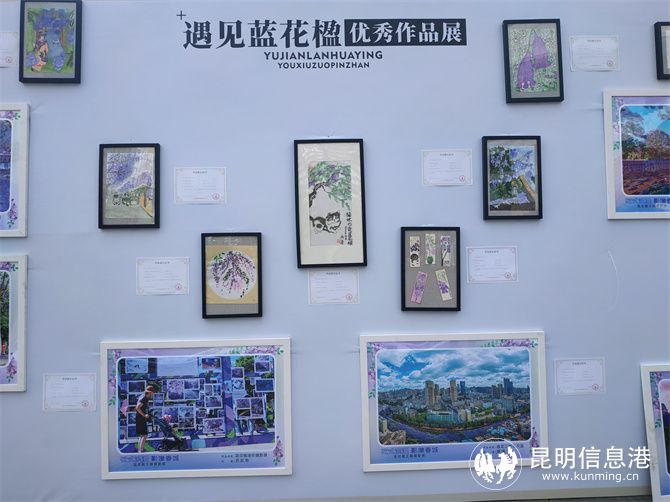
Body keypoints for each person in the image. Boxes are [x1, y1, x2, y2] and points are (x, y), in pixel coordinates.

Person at [135, 385, 155, 452]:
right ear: (150, 392)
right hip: (141, 418)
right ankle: (141, 450)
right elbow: (137, 408)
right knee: (145, 435)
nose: (152, 394)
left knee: (141, 435)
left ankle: (139, 450)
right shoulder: (144, 398)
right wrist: (144, 415)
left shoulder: (143, 396)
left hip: (139, 418)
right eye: (152, 393)